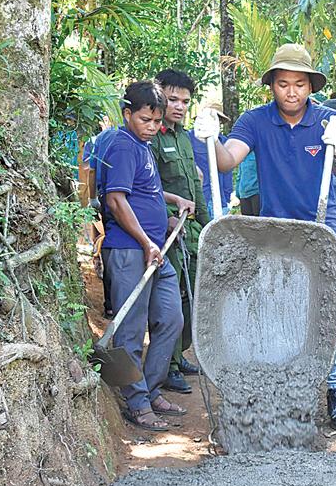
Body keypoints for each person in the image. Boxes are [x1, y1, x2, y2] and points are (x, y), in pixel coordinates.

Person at [193, 43, 336, 431]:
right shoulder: (256, 121)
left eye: (299, 84)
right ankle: (275, 384)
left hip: (322, 230)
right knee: (276, 307)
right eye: (283, 83)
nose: (291, 92)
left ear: (310, 87)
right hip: (274, 234)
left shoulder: (325, 122)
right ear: (272, 85)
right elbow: (227, 161)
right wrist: (211, 139)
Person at [93, 80, 195, 431]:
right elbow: (116, 200)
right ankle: (136, 403)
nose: (152, 127)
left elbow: (143, 190)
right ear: (126, 114)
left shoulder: (141, 145)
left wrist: (171, 206)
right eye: (145, 120)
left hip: (154, 248)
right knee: (132, 330)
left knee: (172, 320)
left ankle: (150, 389)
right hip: (130, 250)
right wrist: (146, 242)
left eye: (156, 121)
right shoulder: (122, 145)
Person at [149, 69, 208, 393]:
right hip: (168, 232)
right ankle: (167, 366)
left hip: (193, 229)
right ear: (160, 97)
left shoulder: (183, 137)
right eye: (173, 99)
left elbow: (194, 186)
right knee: (171, 300)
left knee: (194, 295)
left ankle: (180, 354)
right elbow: (149, 187)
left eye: (185, 101)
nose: (180, 106)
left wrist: (208, 223)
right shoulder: (152, 137)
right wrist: (168, 217)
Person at [190, 101, 234, 218]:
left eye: (216, 119)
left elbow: (227, 173)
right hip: (198, 200)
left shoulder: (223, 141)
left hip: (220, 200)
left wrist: (227, 199)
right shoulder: (188, 138)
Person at [236, 150, 260, 216]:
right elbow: (239, 175)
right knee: (246, 223)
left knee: (259, 222)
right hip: (243, 194)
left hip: (256, 193)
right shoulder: (243, 156)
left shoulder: (259, 154)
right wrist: (238, 193)